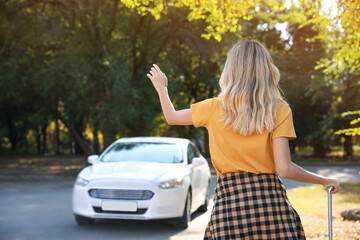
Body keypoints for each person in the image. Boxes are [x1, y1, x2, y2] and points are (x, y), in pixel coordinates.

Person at [147, 37, 340, 240]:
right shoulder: (279, 109)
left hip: (231, 206)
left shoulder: (213, 108)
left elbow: (172, 117)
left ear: (231, 69)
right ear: (266, 69)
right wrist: (323, 180)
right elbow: (284, 168)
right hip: (271, 206)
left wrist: (162, 88)